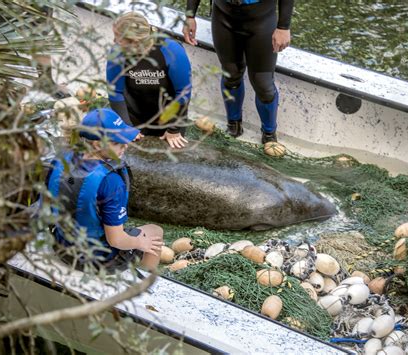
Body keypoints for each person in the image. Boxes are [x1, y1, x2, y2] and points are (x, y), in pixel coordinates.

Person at [46, 108, 164, 271]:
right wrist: (140, 243)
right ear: (96, 144)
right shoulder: (110, 181)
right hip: (96, 261)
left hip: (62, 247)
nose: (126, 145)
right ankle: (146, 280)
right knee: (155, 232)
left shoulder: (59, 160)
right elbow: (116, 240)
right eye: (117, 142)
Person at [183, 0, 294, 152]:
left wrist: (283, 27)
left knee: (263, 85)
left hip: (261, 20)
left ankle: (269, 134)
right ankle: (233, 125)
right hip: (224, 17)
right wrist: (190, 16)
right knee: (231, 74)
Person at [107, 12, 192, 149]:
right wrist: (126, 127)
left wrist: (174, 128)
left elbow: (183, 91)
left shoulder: (171, 49)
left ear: (135, 42)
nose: (114, 42)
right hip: (134, 115)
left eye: (118, 38)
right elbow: (115, 91)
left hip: (169, 116)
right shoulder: (117, 53)